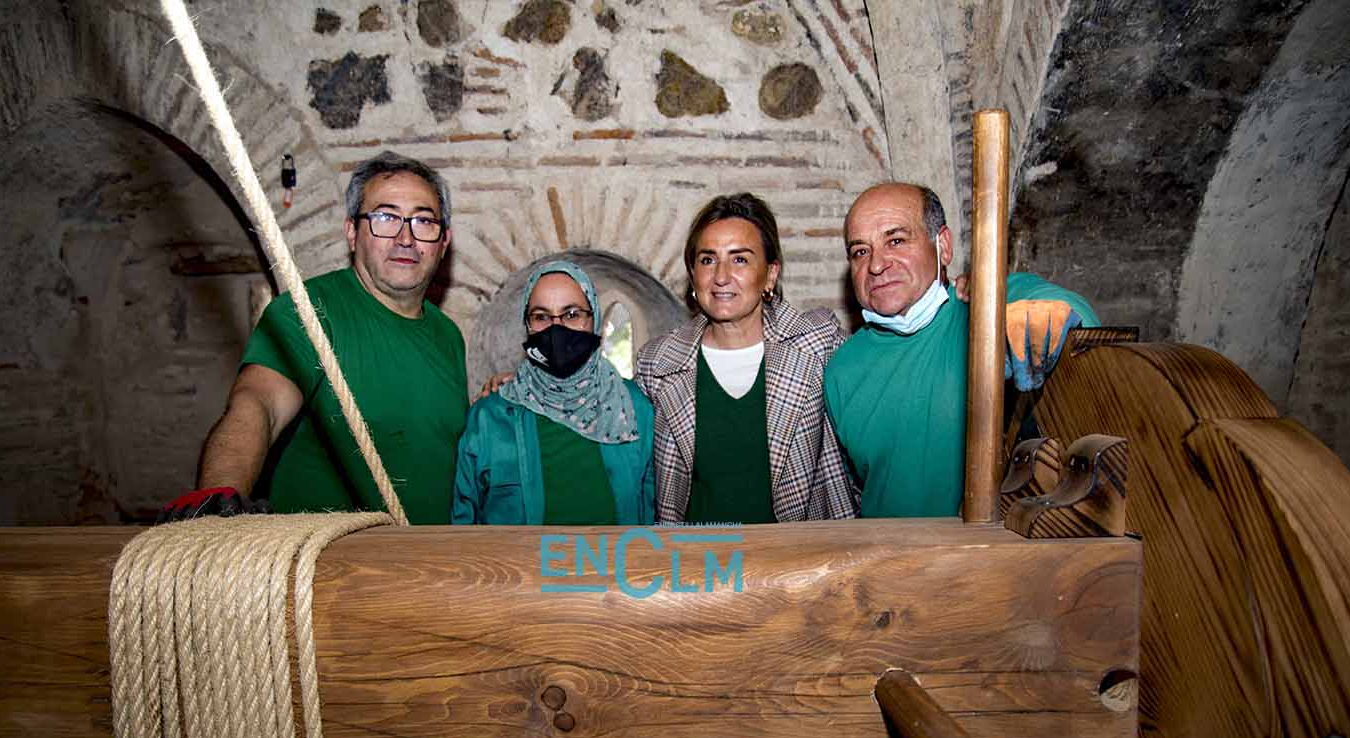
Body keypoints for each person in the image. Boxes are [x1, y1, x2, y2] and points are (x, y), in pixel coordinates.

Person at [159, 152, 467, 523]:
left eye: (423, 221)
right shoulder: (309, 311)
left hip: (428, 565)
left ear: (443, 241)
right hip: (327, 570)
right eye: (385, 217)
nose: (405, 238)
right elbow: (258, 404)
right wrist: (219, 494)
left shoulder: (448, 335)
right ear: (352, 232)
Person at [824, 182, 1099, 518]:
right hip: (886, 562)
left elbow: (1069, 314)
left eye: (896, 240)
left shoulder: (986, 311)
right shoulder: (842, 369)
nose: (877, 265)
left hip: (990, 562)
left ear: (943, 246)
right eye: (860, 252)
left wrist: (1049, 314)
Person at [634, 193, 855, 525]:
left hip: (799, 562)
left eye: (740, 259)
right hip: (697, 564)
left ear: (769, 275)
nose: (721, 276)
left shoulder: (816, 342)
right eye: (708, 260)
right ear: (693, 275)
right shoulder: (658, 363)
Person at [452, 260, 655, 526]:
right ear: (527, 325)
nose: (556, 328)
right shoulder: (489, 418)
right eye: (541, 316)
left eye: (571, 314)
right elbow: (463, 526)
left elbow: (654, 514)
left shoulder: (634, 408)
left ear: (593, 319)